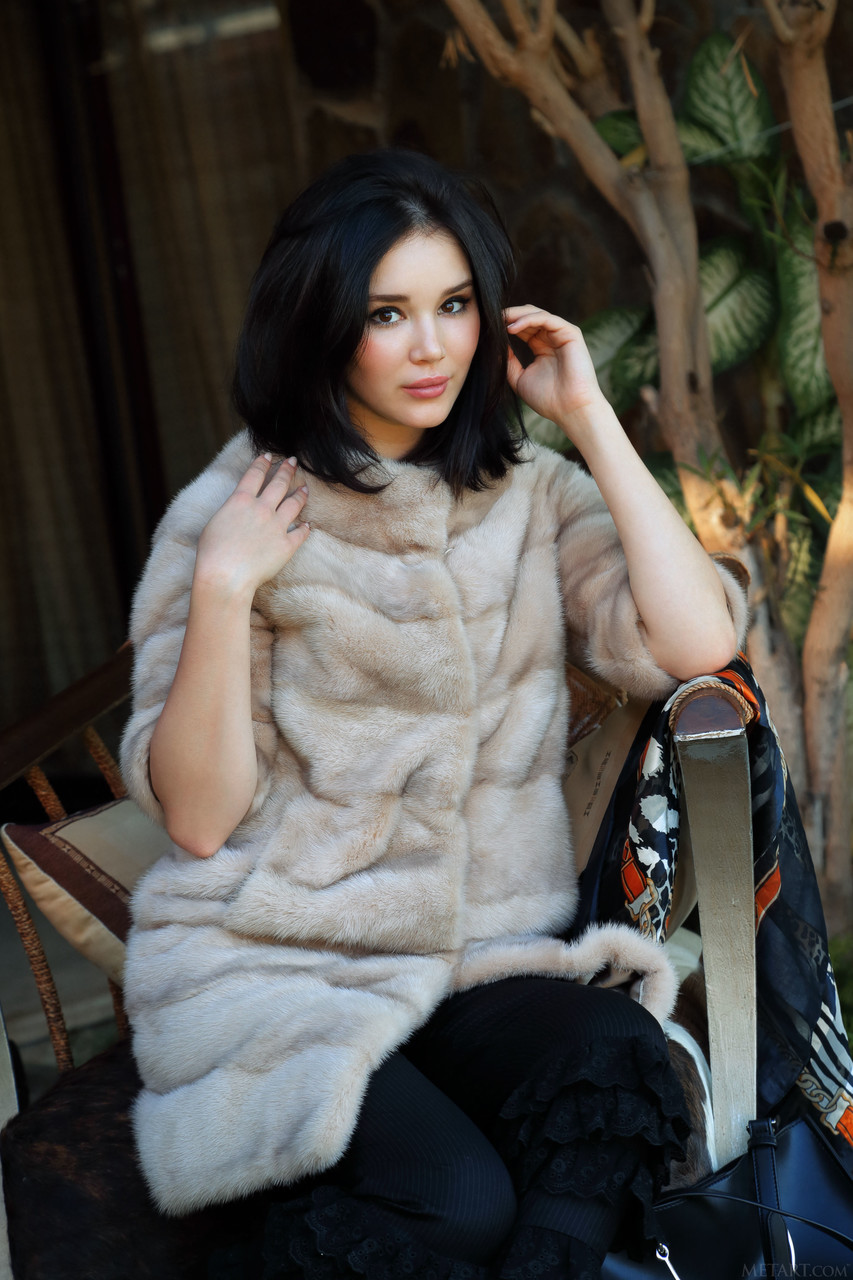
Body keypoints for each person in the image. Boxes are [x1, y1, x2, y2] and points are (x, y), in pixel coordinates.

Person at [119, 149, 748, 1279]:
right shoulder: (238, 513)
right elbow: (200, 818)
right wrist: (222, 585)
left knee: (613, 1057)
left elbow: (697, 642)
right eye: (387, 314)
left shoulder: (525, 492)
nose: (431, 346)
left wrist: (589, 417)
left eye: (455, 305)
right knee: (457, 1203)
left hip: (481, 961)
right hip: (280, 966)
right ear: (321, 324)